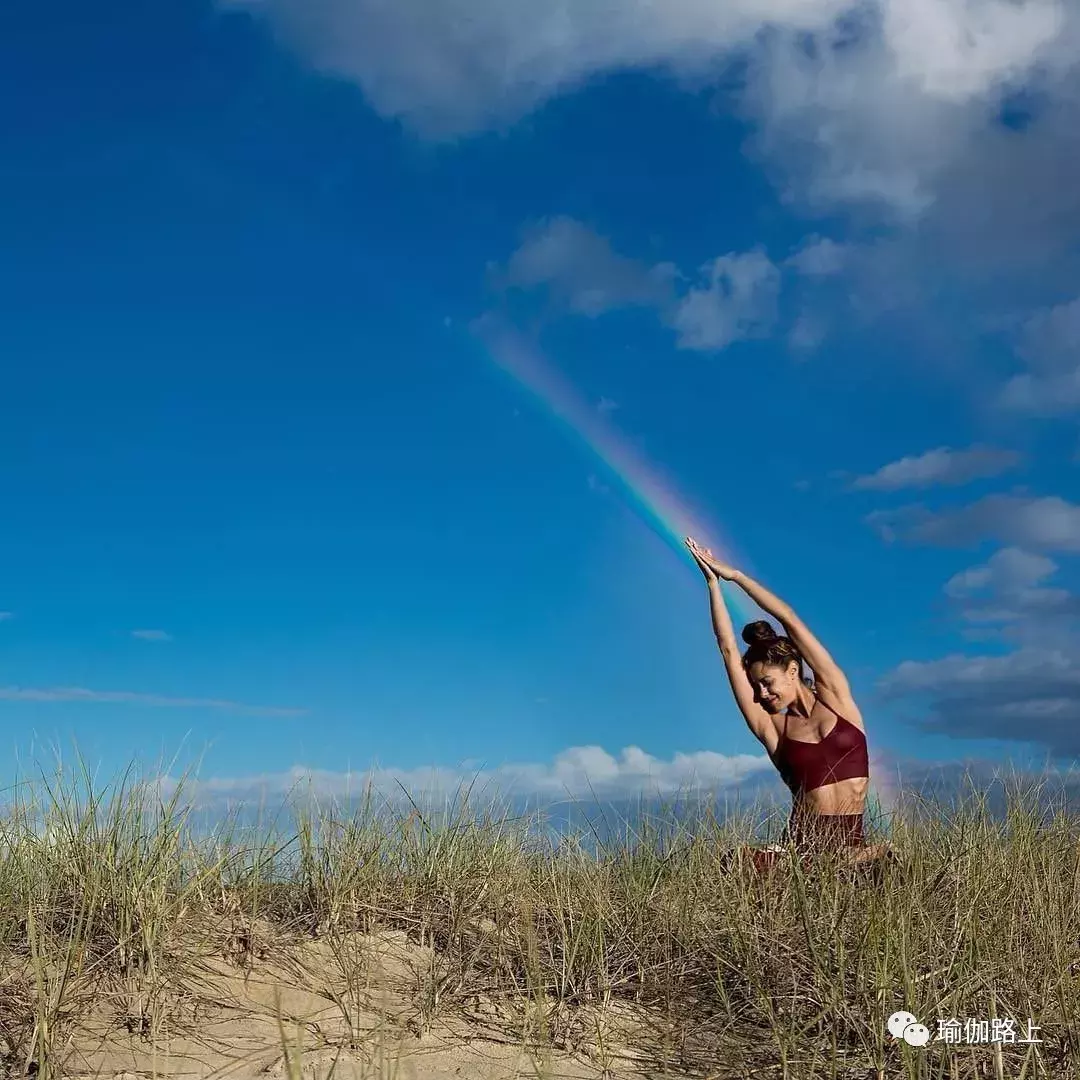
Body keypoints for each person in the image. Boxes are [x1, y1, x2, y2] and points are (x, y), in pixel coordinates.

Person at [685, 537, 890, 869]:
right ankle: (819, 870)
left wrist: (735, 576)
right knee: (736, 862)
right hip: (801, 851)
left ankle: (843, 866)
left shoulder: (837, 698)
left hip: (853, 847)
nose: (762, 694)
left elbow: (789, 619)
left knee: (891, 865)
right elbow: (727, 648)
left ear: (793, 670)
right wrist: (712, 585)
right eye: (756, 686)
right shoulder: (773, 728)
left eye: (767, 683)